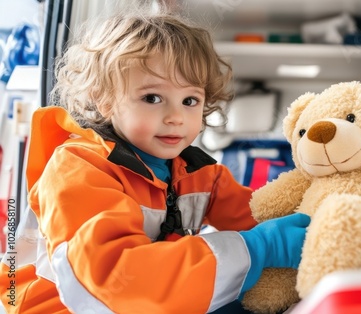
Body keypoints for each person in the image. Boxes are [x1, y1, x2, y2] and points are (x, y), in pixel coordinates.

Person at [0, 10, 310, 314]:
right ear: (104, 98)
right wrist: (259, 247)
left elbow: (262, 213)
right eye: (152, 98)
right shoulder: (78, 169)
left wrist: (323, 211)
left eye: (190, 101)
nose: (176, 117)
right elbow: (117, 281)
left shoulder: (199, 175)